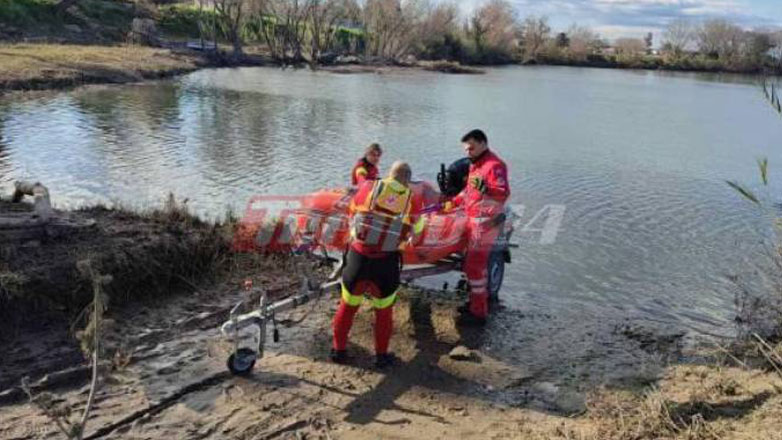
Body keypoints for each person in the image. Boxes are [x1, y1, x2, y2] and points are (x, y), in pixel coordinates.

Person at [332, 161, 423, 368]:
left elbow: (352, 213)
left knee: (347, 306)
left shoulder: (367, 188)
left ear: (389, 175)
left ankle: (338, 350)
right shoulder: (413, 199)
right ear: (408, 180)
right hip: (386, 263)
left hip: (358, 258)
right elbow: (417, 231)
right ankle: (381, 356)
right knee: (383, 311)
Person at [446, 129, 510, 325]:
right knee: (471, 265)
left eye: (471, 148)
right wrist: (453, 202)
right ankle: (475, 304)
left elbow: (503, 192)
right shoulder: (476, 165)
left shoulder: (494, 166)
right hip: (473, 220)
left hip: (486, 224)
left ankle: (478, 313)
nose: (468, 152)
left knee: (475, 267)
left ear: (483, 143)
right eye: (466, 149)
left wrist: (487, 189)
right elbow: (469, 191)